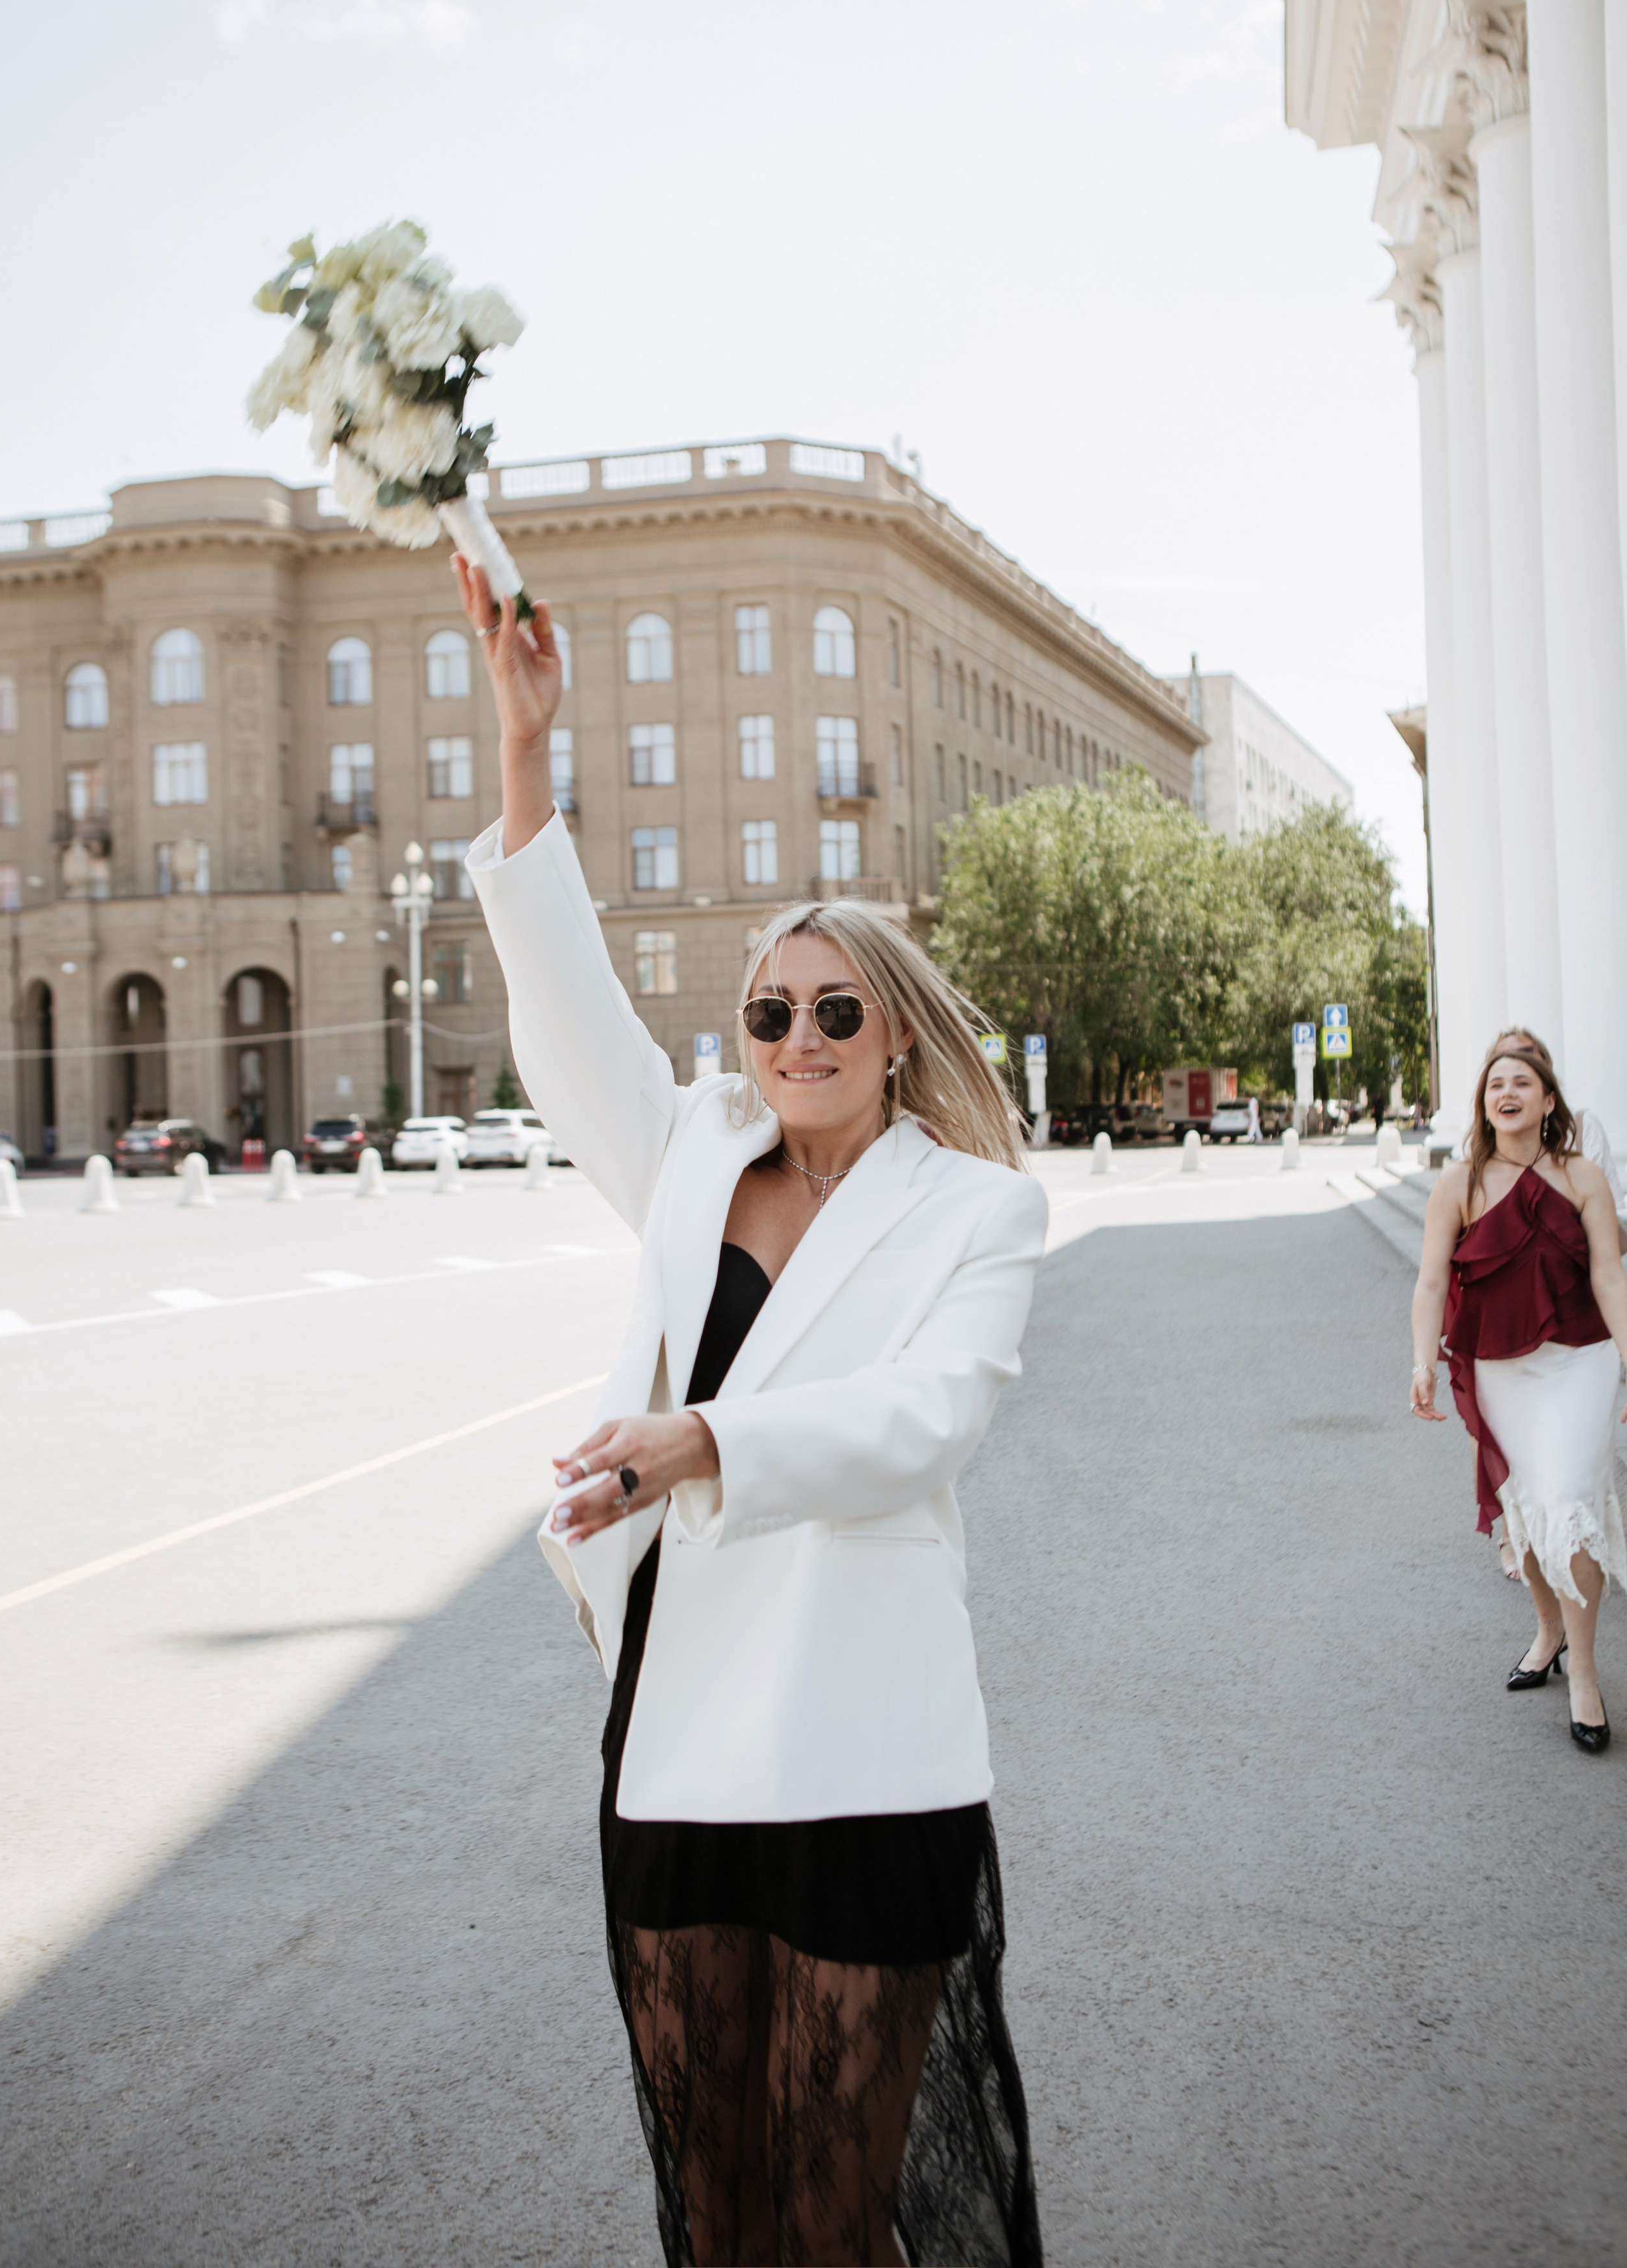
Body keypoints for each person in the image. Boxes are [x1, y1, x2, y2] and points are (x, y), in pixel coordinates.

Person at [453, 555, 1045, 2267]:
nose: (797, 1036)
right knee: (712, 2200)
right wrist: (525, 754)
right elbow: (571, 1033)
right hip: (684, 1745)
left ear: (898, 1034)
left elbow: (930, 1422)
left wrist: (705, 1442)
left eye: (834, 1010)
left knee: (831, 2207)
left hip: (868, 1746)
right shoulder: (692, 1158)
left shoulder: (976, 1213)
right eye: (770, 1011)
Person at [1410, 1039, 1627, 1754]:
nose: (1507, 1092)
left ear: (1547, 1100)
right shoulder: (1459, 1183)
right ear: (1483, 1103)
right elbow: (1432, 1283)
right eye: (1495, 1083)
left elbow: (1611, 1280)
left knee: (1568, 1498)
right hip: (1501, 1367)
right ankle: (1548, 1630)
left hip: (1580, 1360)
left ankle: (1587, 1674)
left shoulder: (1583, 1176)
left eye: (1522, 1082)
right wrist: (1422, 1363)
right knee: (1525, 1510)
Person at [1477, 1029, 1626, 1577]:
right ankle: (1526, 1561)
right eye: (1498, 1077)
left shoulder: (1585, 1148)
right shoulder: (1476, 1167)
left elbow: (1612, 1258)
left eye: (1526, 1070)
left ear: (1549, 1087)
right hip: (1511, 1343)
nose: (1511, 1086)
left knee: (1569, 1482)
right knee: (1527, 1482)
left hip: (1580, 1331)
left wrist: (1580, 1224)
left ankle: (1577, 1634)